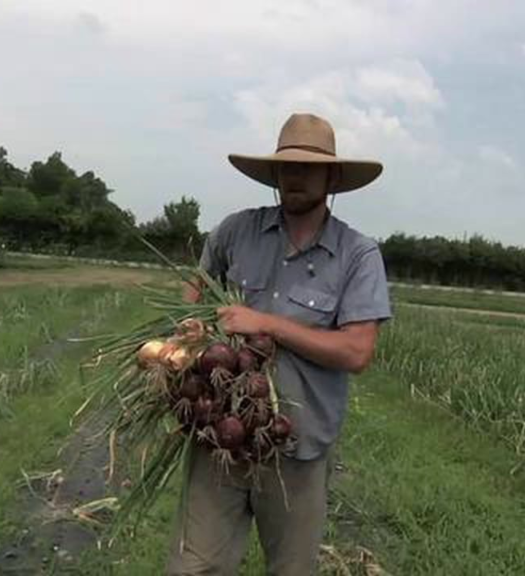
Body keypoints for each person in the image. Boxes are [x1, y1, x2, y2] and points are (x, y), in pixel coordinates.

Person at [167, 113, 392, 576]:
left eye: (308, 168)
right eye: (287, 166)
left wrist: (267, 324)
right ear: (274, 173)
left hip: (297, 447)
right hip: (220, 436)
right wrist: (189, 328)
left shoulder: (357, 253)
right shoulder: (235, 231)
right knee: (194, 568)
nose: (295, 175)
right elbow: (193, 294)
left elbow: (357, 352)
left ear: (332, 177)